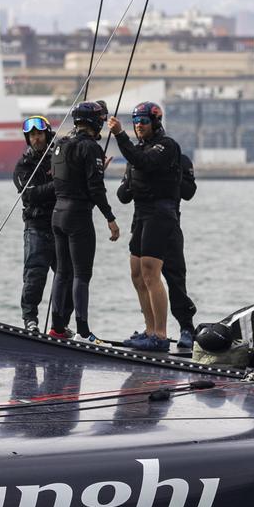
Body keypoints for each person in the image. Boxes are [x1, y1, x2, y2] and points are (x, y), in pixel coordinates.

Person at [107, 101, 185, 352]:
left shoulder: (167, 146)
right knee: (137, 274)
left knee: (151, 272)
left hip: (160, 214)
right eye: (135, 122)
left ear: (155, 122)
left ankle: (161, 336)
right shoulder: (138, 151)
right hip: (140, 214)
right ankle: (149, 330)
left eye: (143, 121)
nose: (139, 125)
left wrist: (119, 134)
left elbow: (144, 162)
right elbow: (123, 195)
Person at [48, 100, 120, 343]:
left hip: (57, 214)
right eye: (100, 119)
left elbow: (66, 177)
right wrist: (110, 217)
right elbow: (95, 188)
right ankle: (83, 331)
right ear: (94, 121)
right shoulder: (90, 148)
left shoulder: (59, 144)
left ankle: (57, 328)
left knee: (62, 272)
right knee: (81, 274)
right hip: (78, 216)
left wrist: (96, 169)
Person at [13, 115, 57, 334]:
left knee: (65, 276)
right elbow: (30, 195)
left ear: (46, 135)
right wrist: (58, 184)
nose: (36, 139)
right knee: (34, 275)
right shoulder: (23, 166)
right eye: (32, 136)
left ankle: (61, 323)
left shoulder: (60, 158)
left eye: (39, 134)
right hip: (36, 227)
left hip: (60, 225)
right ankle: (30, 319)